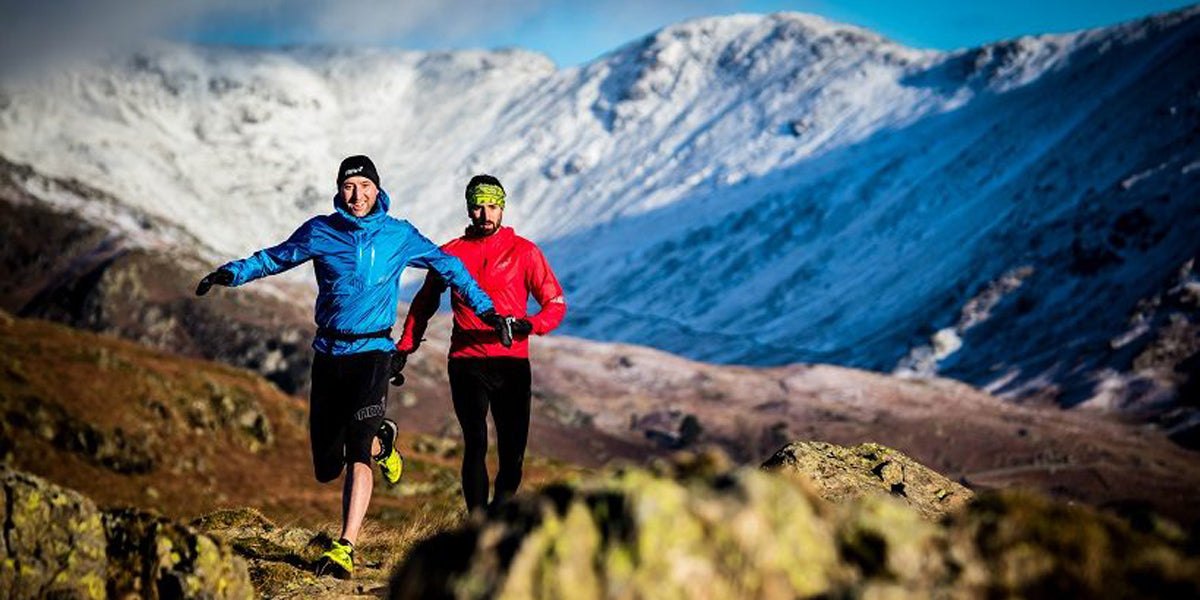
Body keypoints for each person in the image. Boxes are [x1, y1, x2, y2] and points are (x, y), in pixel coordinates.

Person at [194, 156, 508, 579]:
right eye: (349, 186)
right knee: (327, 466)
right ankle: (384, 441)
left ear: (378, 189)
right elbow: (275, 258)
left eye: (364, 186)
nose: (357, 195)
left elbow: (450, 267)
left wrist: (487, 312)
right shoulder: (321, 231)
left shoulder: (398, 234)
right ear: (339, 191)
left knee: (357, 446)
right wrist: (231, 273)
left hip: (373, 353)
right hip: (328, 354)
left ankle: (346, 545)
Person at [396, 174, 566, 513]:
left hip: (512, 362)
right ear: (469, 210)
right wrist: (405, 346)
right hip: (466, 361)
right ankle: (477, 523)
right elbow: (424, 301)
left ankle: (500, 516)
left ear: (502, 208)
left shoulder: (525, 252)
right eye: (478, 207)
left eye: (492, 206)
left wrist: (528, 325)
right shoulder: (452, 254)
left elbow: (555, 304)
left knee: (512, 452)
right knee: (475, 442)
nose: (485, 214)